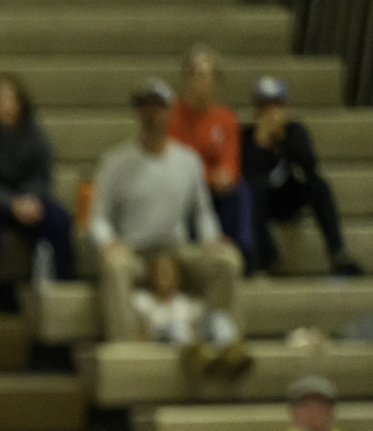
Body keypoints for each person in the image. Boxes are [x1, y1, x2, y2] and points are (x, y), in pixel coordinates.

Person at [90, 79, 243, 344]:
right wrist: (106, 241)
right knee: (114, 268)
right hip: (135, 251)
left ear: (170, 113)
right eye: (146, 108)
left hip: (177, 250)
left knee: (227, 262)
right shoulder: (114, 162)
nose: (153, 115)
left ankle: (217, 338)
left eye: (159, 108)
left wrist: (210, 237)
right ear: (137, 113)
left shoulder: (188, 161)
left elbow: (203, 212)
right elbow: (98, 217)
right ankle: (127, 347)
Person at [0, 71, 74, 318]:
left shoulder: (38, 137)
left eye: (11, 100)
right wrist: (12, 203)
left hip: (27, 202)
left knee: (59, 218)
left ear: (22, 103)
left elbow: (44, 179)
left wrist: (30, 200)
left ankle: (64, 289)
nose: (6, 106)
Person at [242, 77, 362, 278]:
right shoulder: (246, 137)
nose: (271, 112)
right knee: (252, 188)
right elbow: (247, 174)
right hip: (261, 204)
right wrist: (261, 144)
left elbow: (310, 167)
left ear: (286, 107)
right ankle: (262, 256)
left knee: (319, 185)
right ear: (256, 108)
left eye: (277, 104)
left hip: (286, 199)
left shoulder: (295, 132)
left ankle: (339, 254)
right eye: (265, 105)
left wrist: (281, 139)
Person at [168, 45, 252, 259]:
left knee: (241, 189)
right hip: (185, 188)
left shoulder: (226, 117)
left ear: (216, 80)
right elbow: (175, 161)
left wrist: (226, 173)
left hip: (217, 189)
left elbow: (231, 159)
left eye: (206, 76)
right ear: (185, 79)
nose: (201, 82)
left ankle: (243, 251)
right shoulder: (172, 116)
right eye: (195, 75)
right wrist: (208, 176)